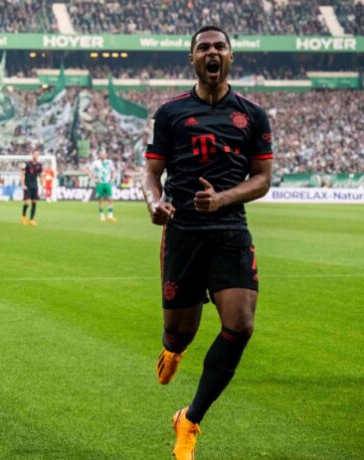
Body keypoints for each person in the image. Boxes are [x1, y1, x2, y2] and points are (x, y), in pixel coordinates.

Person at [142, 25, 272, 459]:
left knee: (241, 325)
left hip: (230, 231)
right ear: (193, 59)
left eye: (219, 46)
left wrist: (222, 199)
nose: (211, 52)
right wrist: (154, 202)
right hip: (182, 233)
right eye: (203, 47)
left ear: (231, 56)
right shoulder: (170, 113)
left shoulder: (253, 115)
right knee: (180, 332)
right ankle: (173, 349)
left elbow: (262, 179)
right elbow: (150, 172)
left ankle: (190, 419)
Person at [87, 150, 117, 222]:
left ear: (106, 155)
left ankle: (110, 216)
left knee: (110, 198)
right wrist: (93, 179)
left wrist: (113, 178)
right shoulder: (95, 163)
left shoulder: (109, 162)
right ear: (99, 155)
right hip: (100, 183)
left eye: (104, 154)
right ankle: (102, 215)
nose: (103, 155)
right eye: (101, 154)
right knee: (100, 199)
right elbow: (89, 171)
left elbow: (113, 171)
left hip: (107, 183)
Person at [20, 148, 43, 226]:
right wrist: (23, 184)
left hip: (34, 185)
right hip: (27, 185)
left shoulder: (39, 165)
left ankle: (31, 220)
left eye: (38, 154)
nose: (36, 155)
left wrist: (42, 183)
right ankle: (23, 216)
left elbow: (40, 175)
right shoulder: (26, 164)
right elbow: (22, 174)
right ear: (32, 154)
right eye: (35, 154)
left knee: (34, 202)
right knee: (27, 202)